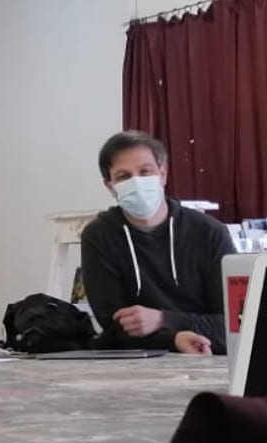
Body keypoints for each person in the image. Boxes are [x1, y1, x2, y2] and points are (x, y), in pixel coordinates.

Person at [79, 131, 234, 354]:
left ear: (163, 174)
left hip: (210, 356)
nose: (136, 182)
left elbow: (236, 323)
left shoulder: (209, 233)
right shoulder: (99, 236)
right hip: (138, 362)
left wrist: (164, 319)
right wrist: (173, 340)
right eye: (124, 176)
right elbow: (115, 328)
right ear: (110, 186)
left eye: (145, 172)